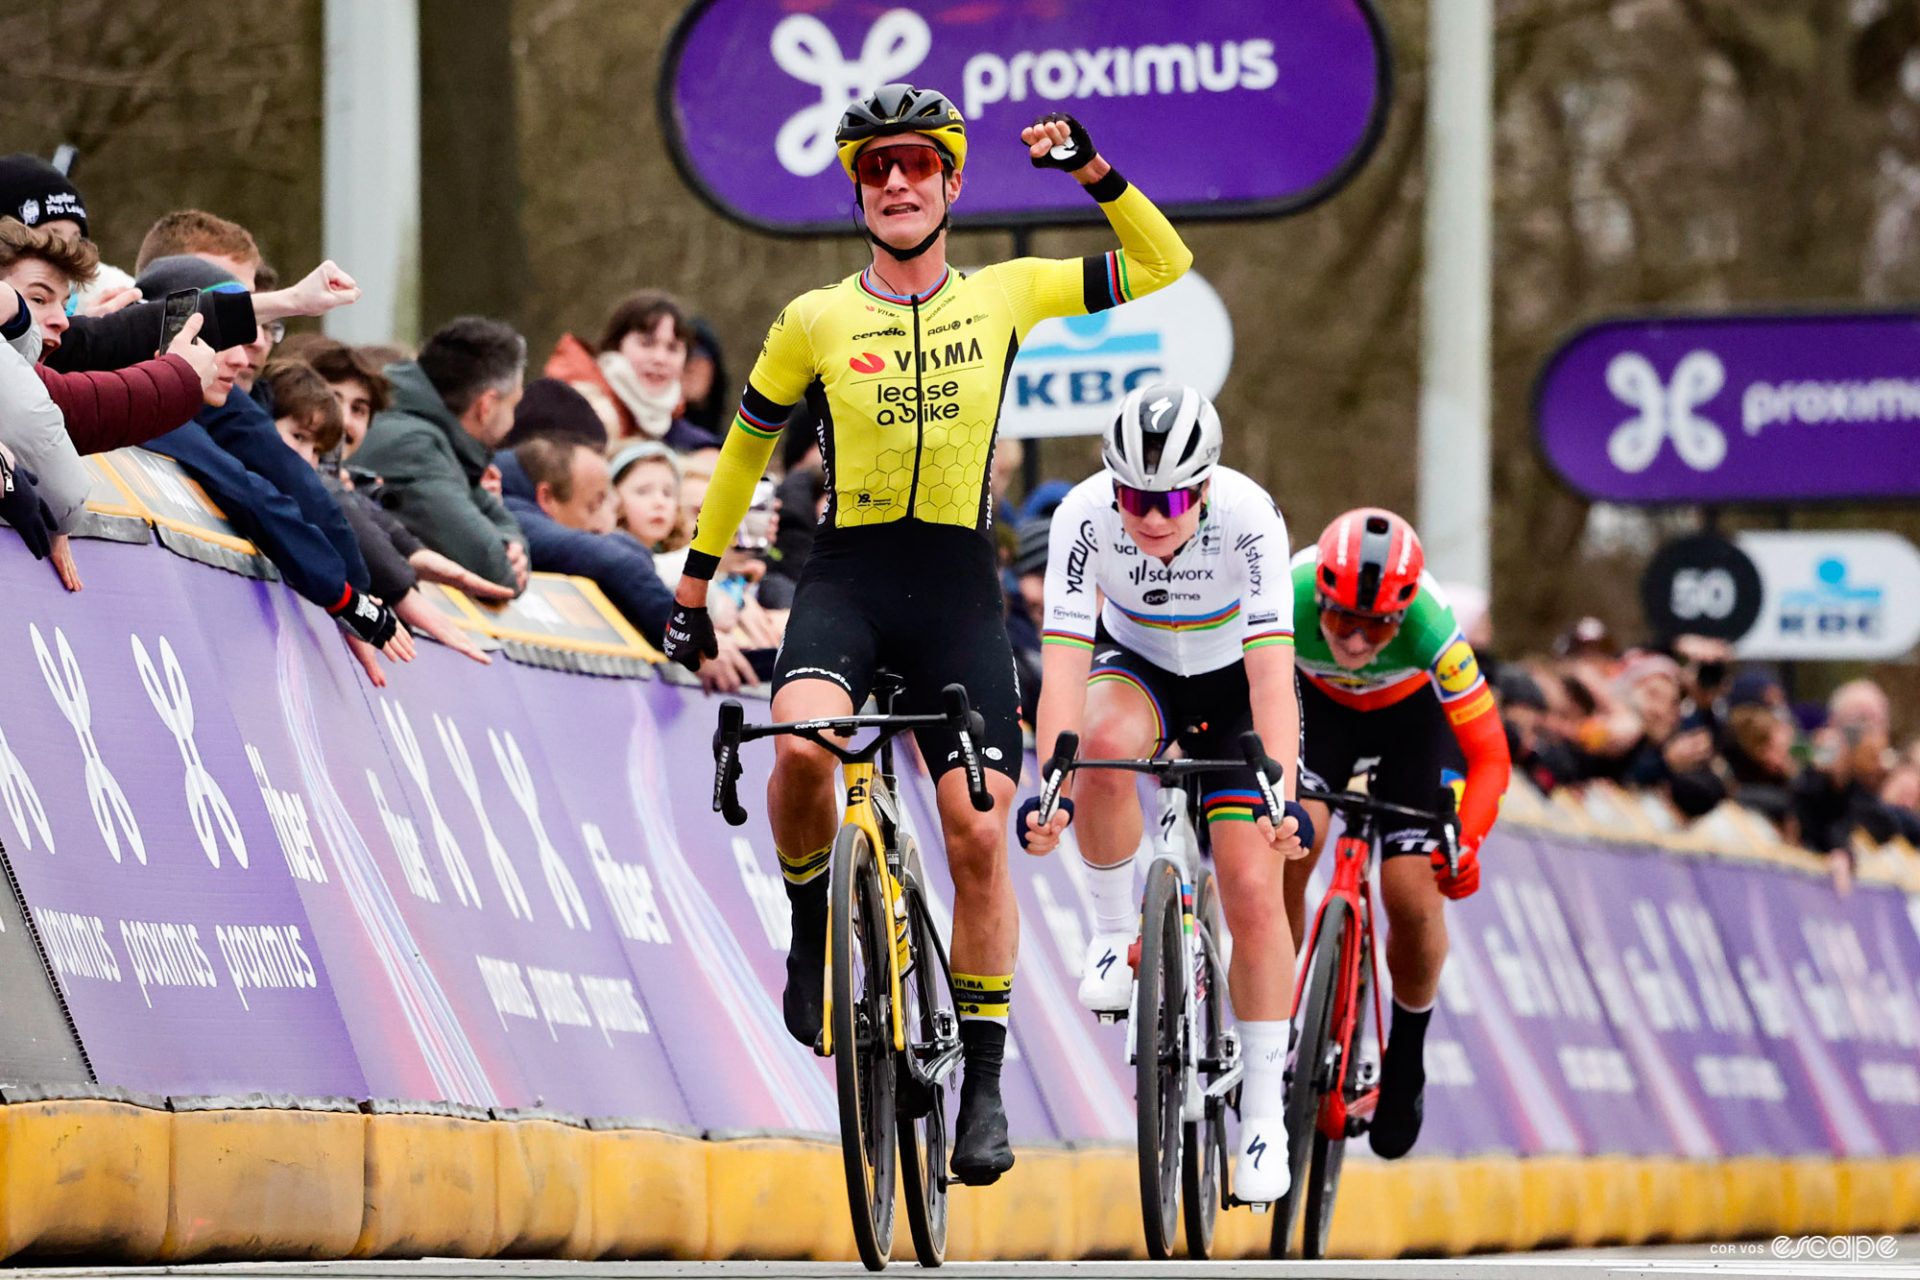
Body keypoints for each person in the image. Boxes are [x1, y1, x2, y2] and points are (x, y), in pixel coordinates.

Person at [662, 84, 1192, 1185]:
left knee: (979, 833)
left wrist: (1093, 170)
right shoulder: (812, 317)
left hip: (955, 588)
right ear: (857, 190)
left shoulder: (1007, 293)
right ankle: (813, 922)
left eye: (917, 165)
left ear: (952, 183)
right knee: (803, 747)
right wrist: (697, 582)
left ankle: (986, 1081)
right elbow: (742, 457)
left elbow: (1164, 263)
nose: (897, 183)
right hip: (847, 578)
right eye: (875, 168)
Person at [1018, 384, 1308, 1203]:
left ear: (1207, 486)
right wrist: (1053, 788)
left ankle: (1260, 1114)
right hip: (1141, 665)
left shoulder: (1251, 517)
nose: (1152, 517)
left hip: (1232, 685)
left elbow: (1271, 678)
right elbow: (1065, 667)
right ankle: (1112, 933)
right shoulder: (1083, 516)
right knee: (1102, 747)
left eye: (1175, 498)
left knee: (1254, 888)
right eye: (1137, 498)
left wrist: (1279, 791)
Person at [1284, 509, 1511, 1162]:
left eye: (1376, 626)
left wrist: (1466, 841)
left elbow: (1491, 757)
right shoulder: (1283, 594)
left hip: (1413, 722)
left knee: (1411, 894)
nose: (1355, 642)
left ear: (1403, 613)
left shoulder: (1433, 626)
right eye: (1340, 621)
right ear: (1319, 597)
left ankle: (1406, 1056)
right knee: (1292, 844)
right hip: (1315, 709)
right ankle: (1269, 1022)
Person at [353, 317, 531, 594]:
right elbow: (493, 569)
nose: (514, 420)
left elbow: (488, 511)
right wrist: (510, 550)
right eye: (514, 405)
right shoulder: (412, 447)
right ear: (486, 406)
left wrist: (508, 543)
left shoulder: (441, 443)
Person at [544, 290, 720, 451]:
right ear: (615, 345)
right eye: (646, 343)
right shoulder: (572, 412)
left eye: (673, 348)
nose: (660, 359)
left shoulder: (685, 435)